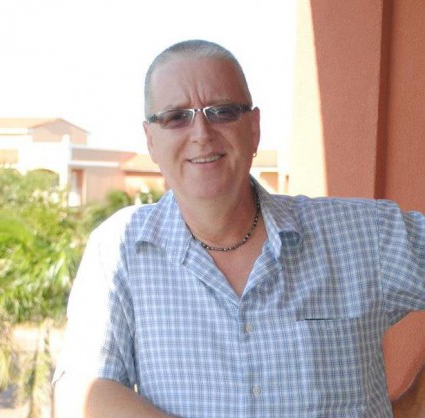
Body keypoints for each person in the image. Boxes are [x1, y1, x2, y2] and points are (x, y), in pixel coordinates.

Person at [53, 39, 425, 418]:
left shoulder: (362, 237)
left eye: (222, 111)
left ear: (254, 128)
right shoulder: (120, 248)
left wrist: (415, 404)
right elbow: (80, 388)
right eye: (176, 117)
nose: (201, 133)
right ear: (151, 139)